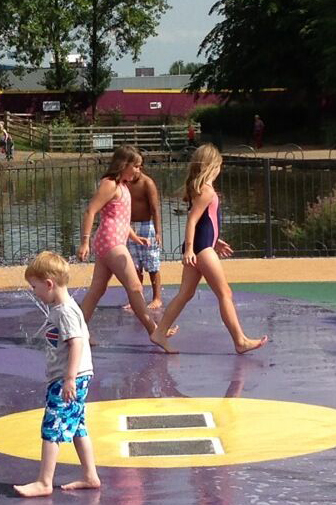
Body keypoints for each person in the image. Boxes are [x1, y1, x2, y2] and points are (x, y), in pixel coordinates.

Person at [150, 144, 268, 354]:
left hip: (203, 246)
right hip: (202, 250)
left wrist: (216, 240)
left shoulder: (203, 189)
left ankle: (160, 332)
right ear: (212, 165)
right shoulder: (206, 190)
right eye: (219, 165)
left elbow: (208, 221)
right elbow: (192, 220)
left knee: (185, 294)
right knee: (225, 294)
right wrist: (189, 249)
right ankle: (240, 341)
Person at [15, 251, 99, 497]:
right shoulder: (63, 308)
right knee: (78, 426)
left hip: (68, 378)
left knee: (52, 427)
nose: (34, 292)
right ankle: (90, 475)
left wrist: (69, 378)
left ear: (49, 284)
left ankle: (44, 481)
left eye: (35, 286)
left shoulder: (64, 311)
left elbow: (77, 342)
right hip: (73, 376)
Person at [77, 146, 160, 342]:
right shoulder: (110, 185)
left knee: (97, 289)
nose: (138, 171)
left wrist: (133, 236)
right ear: (125, 164)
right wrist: (84, 242)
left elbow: (119, 217)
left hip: (113, 240)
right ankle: (154, 331)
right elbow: (90, 211)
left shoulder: (122, 185)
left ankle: (77, 331)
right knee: (135, 287)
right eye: (136, 166)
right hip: (111, 242)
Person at [123, 164, 165, 310]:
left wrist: (158, 232)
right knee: (134, 266)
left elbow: (155, 209)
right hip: (130, 226)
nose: (137, 171)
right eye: (134, 166)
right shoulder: (124, 182)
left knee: (152, 264)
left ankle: (157, 297)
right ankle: (137, 298)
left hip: (146, 226)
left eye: (139, 167)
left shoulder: (147, 183)